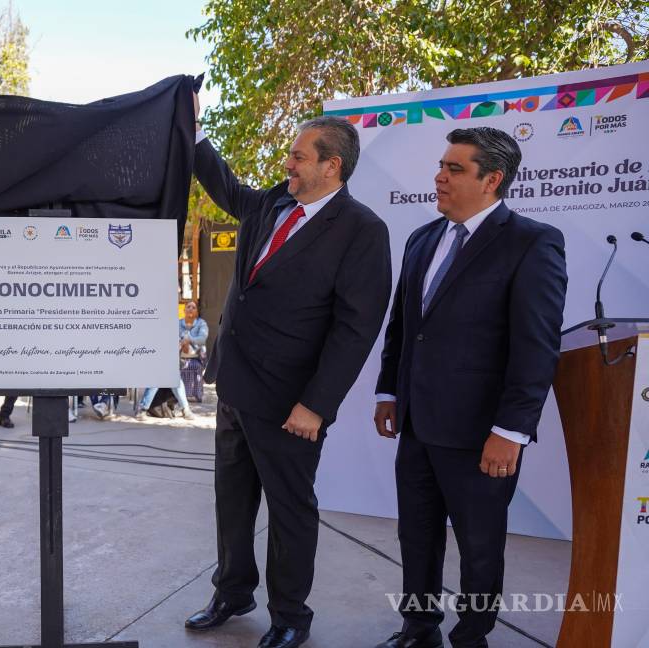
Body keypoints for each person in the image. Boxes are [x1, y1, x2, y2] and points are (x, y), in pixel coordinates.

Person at [184, 102, 392, 648]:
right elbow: (225, 184)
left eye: (299, 157)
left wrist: (316, 405)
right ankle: (232, 591)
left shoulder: (362, 231)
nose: (288, 165)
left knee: (290, 509)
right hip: (234, 387)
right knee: (231, 498)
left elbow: (356, 328)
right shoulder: (273, 203)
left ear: (333, 167)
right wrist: (194, 129)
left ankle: (291, 615)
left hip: (291, 403)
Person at [371, 127, 567, 648]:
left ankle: (471, 636)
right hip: (416, 423)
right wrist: (388, 391)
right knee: (416, 536)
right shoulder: (422, 238)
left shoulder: (532, 242)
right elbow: (404, 326)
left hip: (483, 434)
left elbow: (536, 347)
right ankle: (418, 628)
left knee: (480, 546)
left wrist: (512, 431)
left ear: (493, 179)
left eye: (455, 169)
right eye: (441, 165)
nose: (439, 176)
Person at [179, 300, 208, 402]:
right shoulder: (178, 323)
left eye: (193, 307)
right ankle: (180, 395)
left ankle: (197, 394)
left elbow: (202, 339)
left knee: (195, 363)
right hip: (181, 355)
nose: (191, 309)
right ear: (184, 310)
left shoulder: (201, 324)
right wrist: (182, 342)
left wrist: (189, 339)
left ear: (197, 312)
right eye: (188, 307)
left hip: (196, 355)